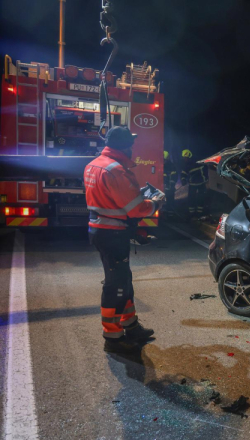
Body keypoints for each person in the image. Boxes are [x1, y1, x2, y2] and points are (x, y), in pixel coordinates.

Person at [84, 126, 163, 353]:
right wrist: (157, 202)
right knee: (116, 285)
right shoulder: (116, 170)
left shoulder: (95, 164)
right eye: (131, 144)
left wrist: (135, 192)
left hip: (103, 231)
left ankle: (130, 325)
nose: (132, 148)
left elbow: (112, 197)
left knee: (123, 280)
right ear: (125, 146)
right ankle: (114, 338)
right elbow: (136, 209)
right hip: (112, 234)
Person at [180, 149, 207, 217]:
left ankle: (199, 213)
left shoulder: (197, 162)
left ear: (189, 157)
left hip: (201, 183)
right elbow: (183, 173)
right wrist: (183, 180)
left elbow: (204, 171)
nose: (185, 159)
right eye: (184, 158)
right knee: (191, 198)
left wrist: (205, 179)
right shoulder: (186, 164)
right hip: (192, 184)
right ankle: (191, 213)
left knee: (200, 198)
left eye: (186, 158)